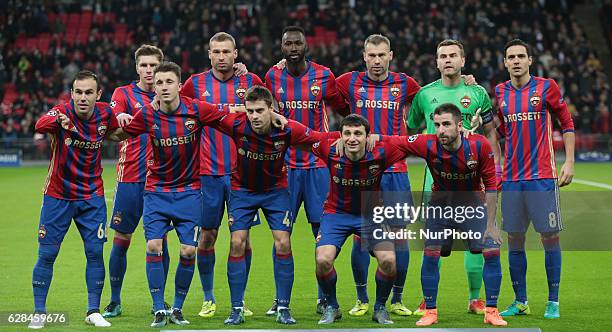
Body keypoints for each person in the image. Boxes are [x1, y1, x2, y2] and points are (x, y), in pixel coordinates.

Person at [106, 61, 260, 327]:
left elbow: (231, 120)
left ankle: (177, 308)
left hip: (190, 191)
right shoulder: (146, 115)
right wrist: (102, 122)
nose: (163, 87)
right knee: (154, 246)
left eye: (168, 82)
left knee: (189, 251)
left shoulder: (196, 109)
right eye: (159, 83)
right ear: (153, 88)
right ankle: (158, 308)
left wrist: (271, 120)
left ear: (180, 85)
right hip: (156, 191)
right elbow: (117, 134)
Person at [214, 86, 338, 326]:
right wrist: (236, 108)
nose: (254, 116)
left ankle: (283, 307)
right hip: (242, 190)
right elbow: (203, 112)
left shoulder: (287, 129)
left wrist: (349, 137)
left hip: (275, 192)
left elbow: (317, 137)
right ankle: (236, 308)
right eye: (250, 111)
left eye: (260, 110)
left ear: (271, 110)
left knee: (283, 241)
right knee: (237, 241)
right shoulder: (237, 124)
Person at [380, 103, 507, 327]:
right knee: (431, 254)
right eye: (437, 125)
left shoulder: (478, 146)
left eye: (446, 124)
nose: (440, 130)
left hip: (472, 204)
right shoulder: (427, 143)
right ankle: (430, 311)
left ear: (460, 126)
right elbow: (392, 140)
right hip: (441, 206)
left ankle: (492, 311)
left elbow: (491, 185)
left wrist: (491, 225)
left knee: (491, 250)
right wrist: (369, 137)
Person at [406, 39, 502, 315]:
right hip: (435, 181)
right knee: (432, 243)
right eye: (442, 56)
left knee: (478, 241)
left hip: (473, 181)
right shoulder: (424, 95)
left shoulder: (478, 93)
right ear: (436, 62)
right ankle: (428, 300)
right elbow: (411, 127)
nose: (447, 60)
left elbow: (490, 131)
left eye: (452, 55)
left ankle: (475, 299)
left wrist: (497, 161)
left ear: (463, 60)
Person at [264, 25, 348, 316]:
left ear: (306, 46)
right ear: (282, 47)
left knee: (321, 235)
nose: (293, 47)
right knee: (280, 236)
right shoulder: (272, 76)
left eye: (297, 43)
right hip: (284, 167)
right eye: (288, 43)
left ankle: (324, 297)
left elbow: (344, 105)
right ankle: (280, 298)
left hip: (317, 166)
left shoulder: (324, 75)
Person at [335, 34, 420, 316]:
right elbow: (317, 89)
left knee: (398, 236)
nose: (376, 61)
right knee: (361, 235)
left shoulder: (404, 83)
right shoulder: (349, 81)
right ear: (364, 56)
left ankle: (396, 299)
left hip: (395, 170)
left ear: (391, 56)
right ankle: (361, 299)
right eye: (371, 55)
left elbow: (431, 95)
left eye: (381, 55)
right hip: (362, 172)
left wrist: (464, 80)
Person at [181, 31, 263, 319]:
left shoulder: (250, 82)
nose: (221, 57)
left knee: (242, 238)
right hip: (207, 174)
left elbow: (267, 112)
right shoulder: (195, 84)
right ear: (209, 54)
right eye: (216, 51)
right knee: (207, 236)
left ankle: (239, 300)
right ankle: (208, 298)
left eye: (226, 51)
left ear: (236, 54)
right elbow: (177, 112)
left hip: (243, 174)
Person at [30, 71, 118, 328]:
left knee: (94, 252)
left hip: (92, 196)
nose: (83, 97)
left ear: (98, 95)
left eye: (88, 92)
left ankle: (93, 311)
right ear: (72, 94)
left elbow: (116, 131)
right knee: (47, 254)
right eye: (78, 92)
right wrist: (59, 119)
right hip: (58, 195)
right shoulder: (61, 112)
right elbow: (39, 126)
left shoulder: (105, 114)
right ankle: (39, 312)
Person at [495, 39, 574, 319]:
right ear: (504, 63)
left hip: (542, 177)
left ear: (530, 60)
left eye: (520, 56)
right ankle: (520, 301)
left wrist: (570, 161)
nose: (515, 61)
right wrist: (498, 165)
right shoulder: (500, 92)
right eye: (510, 57)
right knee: (514, 239)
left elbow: (567, 123)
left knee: (549, 237)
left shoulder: (546, 87)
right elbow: (501, 130)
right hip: (513, 179)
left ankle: (553, 300)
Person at [313, 114, 417, 325]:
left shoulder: (381, 153)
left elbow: (410, 144)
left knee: (388, 261)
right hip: (336, 214)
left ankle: (380, 308)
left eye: (358, 134)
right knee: (323, 260)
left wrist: (380, 137)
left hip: (370, 215)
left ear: (367, 136)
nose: (352, 139)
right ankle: (332, 306)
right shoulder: (329, 149)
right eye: (347, 134)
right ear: (340, 136)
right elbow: (302, 137)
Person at [103, 44, 171, 319]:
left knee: (160, 241)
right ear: (136, 67)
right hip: (130, 177)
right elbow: (111, 120)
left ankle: (161, 301)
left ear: (161, 66)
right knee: (122, 239)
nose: (148, 70)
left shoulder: (171, 92)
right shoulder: (123, 93)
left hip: (162, 179)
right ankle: (115, 301)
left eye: (153, 65)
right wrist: (116, 116)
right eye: (143, 65)